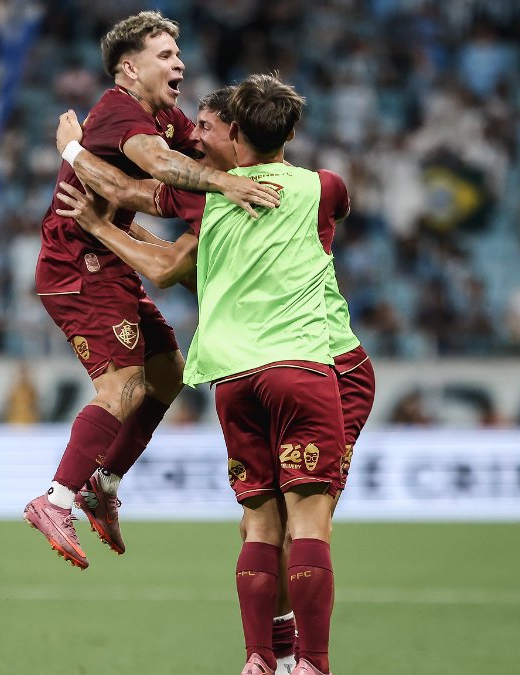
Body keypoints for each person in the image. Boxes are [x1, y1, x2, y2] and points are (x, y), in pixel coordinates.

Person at [57, 75, 365, 675]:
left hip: (232, 374)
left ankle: (258, 658)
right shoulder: (324, 187)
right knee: (308, 519)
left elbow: (127, 190)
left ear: (235, 134)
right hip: (307, 363)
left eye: (206, 128)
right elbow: (331, 211)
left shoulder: (206, 196)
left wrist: (72, 151)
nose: (194, 138)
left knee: (259, 521)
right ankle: (312, 664)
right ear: (292, 133)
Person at [24, 10, 281, 569]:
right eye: (165, 55)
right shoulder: (119, 112)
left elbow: (201, 153)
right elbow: (161, 167)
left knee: (168, 373)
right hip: (77, 266)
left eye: (178, 54)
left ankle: (104, 483)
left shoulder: (166, 117)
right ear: (127, 68)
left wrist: (265, 164)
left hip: (107, 258)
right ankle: (56, 500)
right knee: (122, 384)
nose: (179, 64)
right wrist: (225, 184)